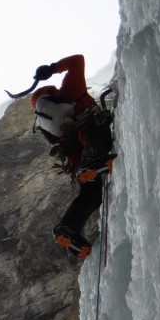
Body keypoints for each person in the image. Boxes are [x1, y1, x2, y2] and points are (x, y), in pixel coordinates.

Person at [31, 54, 114, 258]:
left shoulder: (48, 127)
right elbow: (78, 60)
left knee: (90, 195)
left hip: (78, 162)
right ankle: (94, 163)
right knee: (97, 138)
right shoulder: (69, 91)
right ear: (52, 94)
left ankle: (67, 228)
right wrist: (52, 68)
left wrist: (80, 168)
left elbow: (68, 149)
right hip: (90, 135)